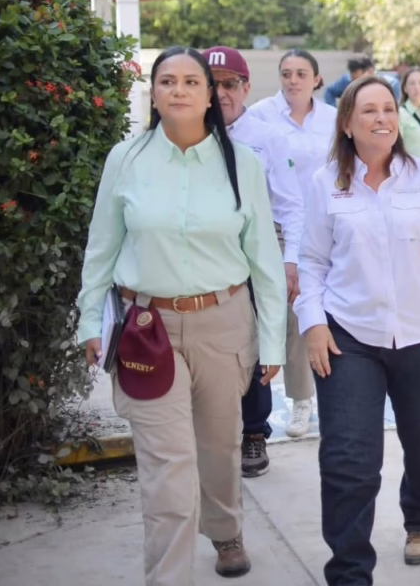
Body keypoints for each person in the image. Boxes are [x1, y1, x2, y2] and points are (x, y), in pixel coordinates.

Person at [75, 46, 287, 585]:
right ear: (153, 91)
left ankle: (225, 530)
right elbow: (101, 248)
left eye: (191, 81)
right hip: (147, 331)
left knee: (219, 448)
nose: (179, 90)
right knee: (168, 470)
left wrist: (273, 342)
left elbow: (263, 258)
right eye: (167, 81)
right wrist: (88, 322)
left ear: (209, 93)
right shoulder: (125, 159)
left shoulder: (243, 163)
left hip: (225, 322)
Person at [297, 76, 420, 585]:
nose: (382, 118)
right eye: (368, 111)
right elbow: (311, 261)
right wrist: (312, 324)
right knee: (349, 458)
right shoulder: (325, 182)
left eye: (389, 109)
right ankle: (350, 572)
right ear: (347, 124)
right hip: (348, 335)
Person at [202, 46, 306, 478]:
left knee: (256, 345)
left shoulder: (267, 137)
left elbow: (291, 204)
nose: (222, 94)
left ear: (245, 88)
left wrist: (291, 260)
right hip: (205, 257)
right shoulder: (189, 135)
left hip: (256, 254)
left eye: (230, 85)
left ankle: (254, 433)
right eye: (213, 86)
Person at [248, 49, 339, 437]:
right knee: (291, 314)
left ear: (316, 79)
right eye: (286, 73)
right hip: (279, 228)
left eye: (301, 73)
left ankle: (327, 398)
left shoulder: (334, 119)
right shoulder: (260, 116)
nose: (292, 80)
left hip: (329, 226)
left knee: (328, 312)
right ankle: (299, 402)